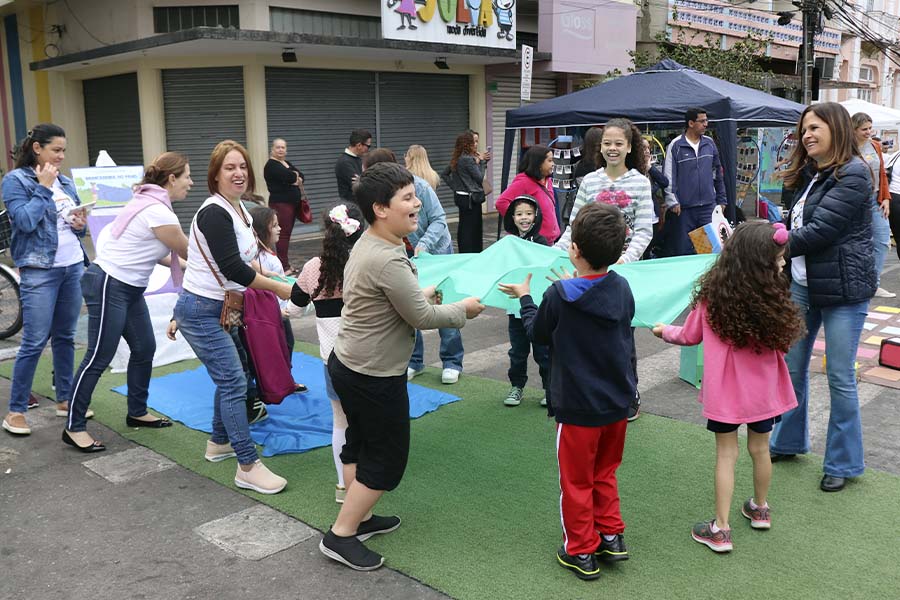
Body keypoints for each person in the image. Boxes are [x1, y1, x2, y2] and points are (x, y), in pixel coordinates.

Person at [319, 162, 485, 571]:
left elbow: (393, 297)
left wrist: (420, 290)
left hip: (351, 364)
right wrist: (463, 310)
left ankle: (358, 519)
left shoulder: (374, 244)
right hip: (372, 374)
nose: (418, 204)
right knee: (387, 459)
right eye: (408, 198)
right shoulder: (387, 257)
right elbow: (423, 318)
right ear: (380, 208)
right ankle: (341, 535)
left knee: (360, 442)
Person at [497, 202, 635, 581]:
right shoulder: (621, 287)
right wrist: (568, 283)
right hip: (617, 404)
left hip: (577, 408)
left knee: (575, 481)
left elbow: (536, 334)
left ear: (574, 249)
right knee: (605, 471)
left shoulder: (559, 294)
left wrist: (526, 296)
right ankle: (611, 535)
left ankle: (580, 550)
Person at [652, 221, 804, 552]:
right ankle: (760, 508)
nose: (782, 264)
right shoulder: (774, 296)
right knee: (761, 449)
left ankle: (720, 529)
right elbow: (783, 346)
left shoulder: (713, 297)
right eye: (778, 259)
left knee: (726, 453)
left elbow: (690, 336)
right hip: (764, 391)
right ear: (761, 262)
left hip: (726, 393)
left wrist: (663, 330)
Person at [173, 140, 297, 495]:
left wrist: (277, 277)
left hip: (224, 308)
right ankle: (247, 465)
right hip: (200, 311)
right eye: (230, 168)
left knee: (235, 375)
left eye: (242, 166)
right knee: (233, 382)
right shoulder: (215, 212)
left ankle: (218, 443)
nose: (239, 173)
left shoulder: (240, 209)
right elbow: (233, 268)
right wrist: (278, 289)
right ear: (215, 175)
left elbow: (246, 260)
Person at [769, 102, 875, 493]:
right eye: (804, 130)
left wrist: (768, 246)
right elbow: (792, 223)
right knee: (791, 365)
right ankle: (787, 441)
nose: (807, 135)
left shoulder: (854, 175)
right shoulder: (810, 175)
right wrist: (771, 231)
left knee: (840, 376)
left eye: (815, 128)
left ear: (836, 128)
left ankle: (843, 463)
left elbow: (819, 231)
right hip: (802, 285)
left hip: (844, 290)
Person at [63, 152, 193, 451]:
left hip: (128, 287)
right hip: (111, 283)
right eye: (187, 176)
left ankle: (137, 411)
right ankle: (74, 425)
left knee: (145, 347)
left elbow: (152, 251)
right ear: (171, 179)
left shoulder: (149, 202)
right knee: (99, 356)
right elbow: (191, 252)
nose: (191, 182)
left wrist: (191, 266)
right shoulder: (158, 211)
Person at [554, 118, 653, 421]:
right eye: (607, 143)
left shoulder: (640, 182)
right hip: (587, 273)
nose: (612, 148)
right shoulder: (590, 181)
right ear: (600, 146)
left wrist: (626, 259)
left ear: (629, 146)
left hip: (623, 274)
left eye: (618, 143)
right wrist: (555, 252)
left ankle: (629, 392)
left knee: (622, 335)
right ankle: (592, 392)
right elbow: (574, 226)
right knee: (588, 334)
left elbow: (645, 230)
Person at [2, 124, 89, 437]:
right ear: (37, 148)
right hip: (40, 270)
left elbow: (74, 226)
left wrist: (80, 224)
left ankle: (65, 399)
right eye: (56, 150)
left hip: (72, 267)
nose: (61, 156)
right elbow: (23, 222)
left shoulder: (64, 181)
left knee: (65, 336)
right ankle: (15, 411)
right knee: (35, 340)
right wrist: (43, 187)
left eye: (64, 150)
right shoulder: (16, 181)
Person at [364, 147, 465, 384]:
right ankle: (414, 361)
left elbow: (440, 219)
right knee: (408, 304)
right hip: (404, 255)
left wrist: (426, 244)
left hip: (437, 252)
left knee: (443, 301)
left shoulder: (419, 187)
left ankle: (451, 362)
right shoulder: (379, 196)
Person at [294, 203, 365, 504]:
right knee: (369, 421)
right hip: (369, 355)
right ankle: (367, 481)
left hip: (333, 360)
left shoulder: (312, 268)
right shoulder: (366, 264)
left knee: (341, 421)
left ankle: (342, 486)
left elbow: (295, 308)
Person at [248, 204, 306, 395]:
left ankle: (284, 380)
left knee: (285, 344)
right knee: (276, 346)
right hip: (270, 312)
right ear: (262, 230)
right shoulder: (262, 257)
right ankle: (275, 382)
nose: (279, 228)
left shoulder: (265, 257)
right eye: (274, 225)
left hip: (276, 310)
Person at [499, 195, 551, 408]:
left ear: (536, 216)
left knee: (543, 352)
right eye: (519, 214)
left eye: (528, 213)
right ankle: (517, 386)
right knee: (517, 351)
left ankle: (550, 389)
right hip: (514, 307)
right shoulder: (507, 243)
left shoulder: (541, 243)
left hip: (537, 307)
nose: (524, 218)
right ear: (512, 217)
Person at [662, 108, 727, 256]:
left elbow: (718, 174)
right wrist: (673, 201)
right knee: (684, 251)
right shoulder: (676, 145)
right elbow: (668, 175)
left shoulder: (709, 144)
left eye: (706, 120)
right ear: (691, 123)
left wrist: (722, 200)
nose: (706, 124)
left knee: (707, 251)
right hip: (684, 210)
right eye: (702, 121)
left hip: (707, 208)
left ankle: (707, 279)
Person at [851, 113, 894, 298]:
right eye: (864, 129)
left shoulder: (875, 145)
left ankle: (873, 284)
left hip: (875, 198)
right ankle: (854, 283)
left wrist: (885, 198)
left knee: (883, 241)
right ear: (853, 129)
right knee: (854, 243)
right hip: (853, 200)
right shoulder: (845, 148)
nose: (869, 132)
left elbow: (882, 174)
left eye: (870, 128)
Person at [495, 144, 561, 245]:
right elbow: (501, 203)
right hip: (532, 242)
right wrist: (520, 220)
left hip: (550, 241)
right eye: (549, 160)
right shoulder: (523, 182)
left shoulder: (548, 181)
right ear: (538, 163)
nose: (553, 164)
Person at [263, 138, 305, 274]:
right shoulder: (271, 165)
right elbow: (292, 177)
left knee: (286, 234)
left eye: (283, 147)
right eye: (278, 147)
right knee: (282, 235)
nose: (281, 150)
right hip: (281, 204)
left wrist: (295, 177)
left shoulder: (286, 163)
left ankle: (285, 264)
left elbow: (301, 176)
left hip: (291, 204)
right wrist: (294, 177)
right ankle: (283, 266)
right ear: (272, 149)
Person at [443, 131, 486, 253]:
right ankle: (472, 251)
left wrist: (456, 187)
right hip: (471, 199)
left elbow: (445, 174)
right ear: (467, 144)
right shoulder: (467, 159)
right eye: (474, 142)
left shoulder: (457, 158)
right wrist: (482, 162)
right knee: (473, 228)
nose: (476, 144)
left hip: (461, 197)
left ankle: (465, 251)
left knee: (464, 225)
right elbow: (479, 177)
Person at [641, 137, 670, 259]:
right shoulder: (632, 170)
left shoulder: (650, 169)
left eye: (649, 148)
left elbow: (664, 182)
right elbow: (644, 192)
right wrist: (654, 188)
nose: (647, 151)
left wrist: (650, 168)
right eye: (644, 148)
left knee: (651, 244)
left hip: (654, 215)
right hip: (641, 216)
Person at [335, 129, 372, 203]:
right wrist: (365, 179)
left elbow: (364, 181)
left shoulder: (357, 158)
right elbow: (360, 186)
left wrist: (363, 179)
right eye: (368, 146)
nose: (368, 149)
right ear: (359, 145)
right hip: (352, 207)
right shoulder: (345, 162)